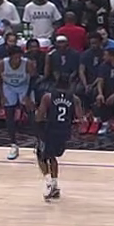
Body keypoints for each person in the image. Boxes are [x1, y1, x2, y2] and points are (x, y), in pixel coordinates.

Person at [34, 71, 81, 200]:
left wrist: (37, 122)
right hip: (64, 131)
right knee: (52, 157)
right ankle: (54, 185)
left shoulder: (48, 97)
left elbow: (39, 116)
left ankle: (49, 183)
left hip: (50, 130)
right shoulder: (75, 99)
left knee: (41, 155)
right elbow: (80, 119)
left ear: (56, 83)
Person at [0, 45, 37, 160]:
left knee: (31, 113)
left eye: (19, 57)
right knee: (9, 115)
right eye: (15, 58)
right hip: (9, 87)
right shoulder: (2, 64)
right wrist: (2, 96)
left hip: (24, 86)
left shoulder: (27, 63)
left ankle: (39, 142)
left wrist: (27, 96)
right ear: (10, 57)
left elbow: (33, 79)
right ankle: (13, 144)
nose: (17, 60)